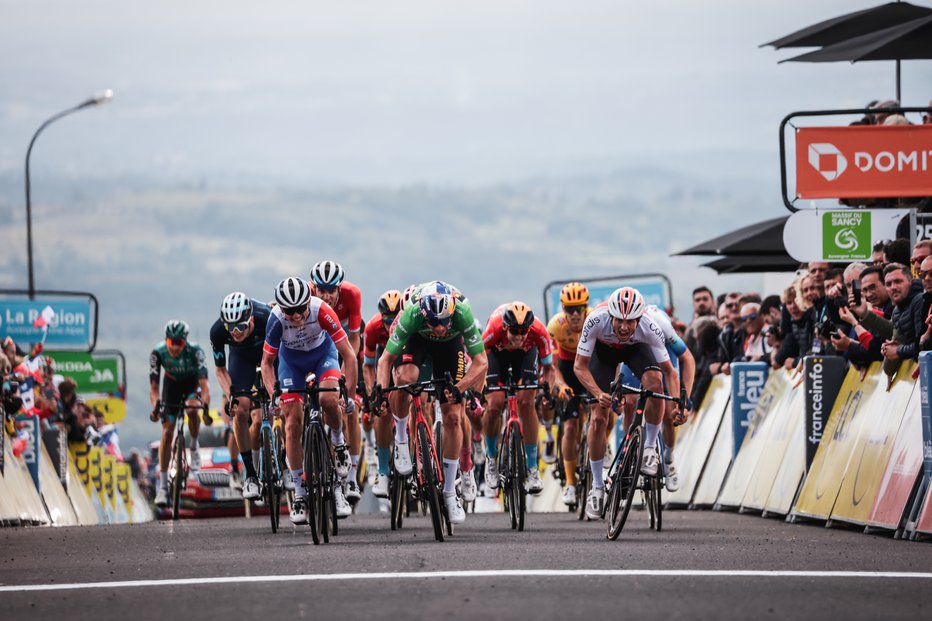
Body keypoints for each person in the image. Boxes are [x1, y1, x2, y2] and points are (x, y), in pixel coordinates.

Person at [373, 281, 489, 525]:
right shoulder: (412, 313)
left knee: (453, 416)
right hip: (418, 341)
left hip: (451, 347)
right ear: (423, 314)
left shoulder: (462, 312)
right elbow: (385, 360)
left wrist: (460, 390)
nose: (438, 328)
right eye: (433, 322)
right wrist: (380, 394)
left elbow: (481, 362)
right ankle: (403, 440)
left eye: (443, 322)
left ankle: (449, 492)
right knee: (405, 378)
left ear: (451, 313)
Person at [573, 287, 683, 520]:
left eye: (630, 322)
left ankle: (650, 449)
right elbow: (579, 366)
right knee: (599, 416)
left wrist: (677, 405)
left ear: (639, 318)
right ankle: (598, 487)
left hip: (636, 349)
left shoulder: (649, 327)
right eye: (620, 321)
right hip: (602, 354)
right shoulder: (595, 320)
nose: (624, 327)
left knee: (655, 383)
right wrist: (597, 393)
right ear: (610, 315)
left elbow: (670, 372)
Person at [260, 276, 358, 524]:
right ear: (282, 309)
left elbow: (349, 355)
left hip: (323, 355)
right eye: (289, 312)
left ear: (308, 302)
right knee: (292, 422)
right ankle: (300, 495)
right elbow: (267, 364)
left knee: (328, 399)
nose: (295, 316)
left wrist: (350, 394)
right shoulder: (276, 319)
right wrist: (274, 394)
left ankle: (338, 441)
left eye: (300, 309)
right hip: (291, 363)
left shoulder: (321, 310)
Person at [481, 301, 569, 496]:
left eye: (524, 332)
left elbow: (549, 369)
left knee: (527, 402)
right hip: (497, 356)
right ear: (505, 327)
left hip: (526, 357)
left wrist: (546, 390)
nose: (519, 336)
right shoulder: (493, 328)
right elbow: (478, 359)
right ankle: (491, 458)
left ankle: (531, 468)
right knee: (494, 404)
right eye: (514, 331)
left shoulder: (539, 331)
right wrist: (480, 388)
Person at [617, 304, 695, 493]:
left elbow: (688, 359)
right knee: (629, 401)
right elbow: (615, 360)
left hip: (664, 355)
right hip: (635, 355)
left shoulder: (660, 325)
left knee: (669, 412)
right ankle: (631, 453)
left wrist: (683, 400)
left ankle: (668, 459)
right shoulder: (623, 327)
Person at [309, 260, 365, 502]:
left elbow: (353, 340)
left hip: (345, 347)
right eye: (322, 290)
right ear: (313, 288)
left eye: (332, 290)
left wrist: (344, 372)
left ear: (340, 289)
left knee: (349, 409)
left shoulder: (352, 295)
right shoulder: (306, 298)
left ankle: (351, 477)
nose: (327, 296)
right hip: (317, 345)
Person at [210, 291, 272, 501]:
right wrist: (231, 395)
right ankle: (250, 476)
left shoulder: (266, 317)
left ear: (251, 319)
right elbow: (220, 371)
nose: (236, 333)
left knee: (287, 403)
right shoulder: (218, 332)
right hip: (242, 360)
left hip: (270, 355)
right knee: (241, 408)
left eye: (241, 327)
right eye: (231, 328)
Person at [149, 320, 212, 507]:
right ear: (166, 340)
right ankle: (162, 488)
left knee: (193, 409)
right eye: (171, 343)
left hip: (192, 384)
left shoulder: (196, 352)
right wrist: (156, 406)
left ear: (185, 342)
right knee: (167, 431)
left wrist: (206, 407)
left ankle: (193, 445)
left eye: (179, 343)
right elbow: (153, 387)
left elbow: (205, 386)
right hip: (171, 387)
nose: (175, 347)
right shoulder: (157, 353)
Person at [546, 282, 591, 506]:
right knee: (571, 426)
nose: (574, 315)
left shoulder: (595, 321)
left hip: (590, 365)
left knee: (605, 411)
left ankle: (604, 446)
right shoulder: (556, 326)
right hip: (566, 367)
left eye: (579, 308)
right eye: (569, 309)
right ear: (563, 310)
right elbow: (552, 367)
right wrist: (561, 386)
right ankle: (571, 483)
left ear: (586, 308)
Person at [361, 289, 402, 498]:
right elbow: (368, 367)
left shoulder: (409, 326)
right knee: (382, 410)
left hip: (405, 358)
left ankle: (416, 456)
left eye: (395, 319)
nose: (391, 324)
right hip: (383, 362)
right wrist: (372, 393)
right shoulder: (373, 328)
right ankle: (383, 470)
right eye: (387, 320)